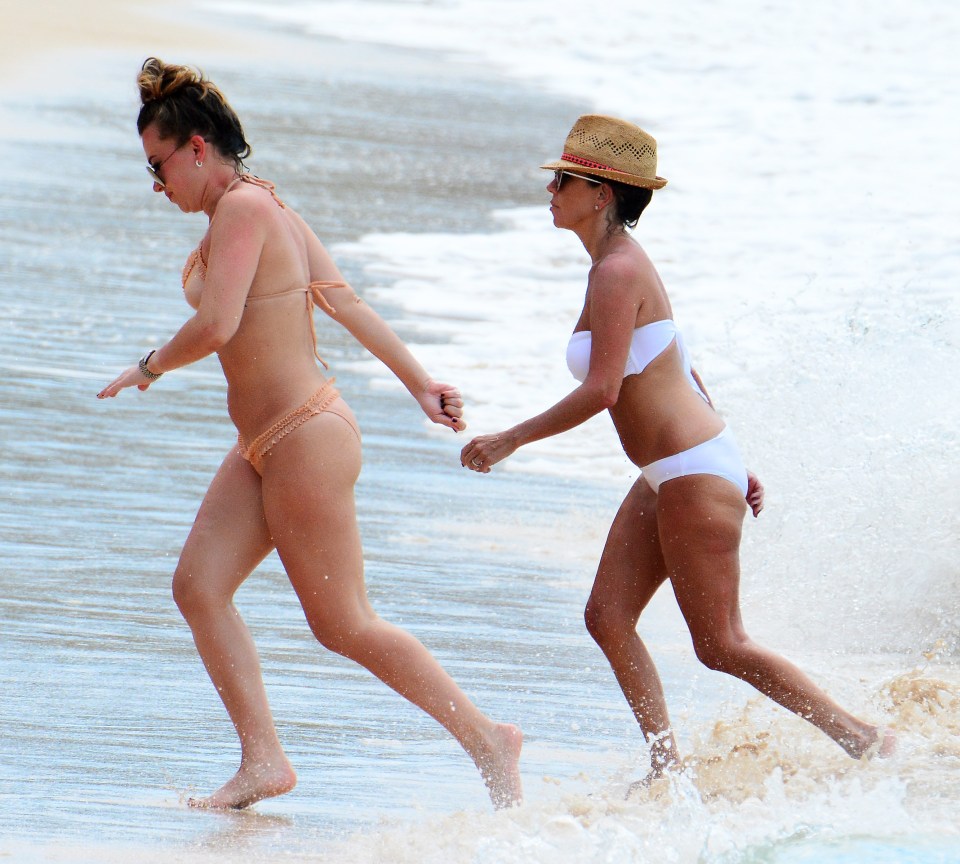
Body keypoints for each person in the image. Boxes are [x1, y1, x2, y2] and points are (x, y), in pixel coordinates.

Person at [98, 58, 522, 811]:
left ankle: (490, 739)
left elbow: (222, 322)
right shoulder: (263, 209)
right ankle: (263, 760)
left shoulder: (248, 210)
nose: (157, 187)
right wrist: (421, 385)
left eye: (159, 166)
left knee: (343, 623)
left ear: (197, 147)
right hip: (264, 444)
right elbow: (342, 299)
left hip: (304, 434)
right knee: (198, 587)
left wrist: (149, 366)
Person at [459, 114, 894, 784]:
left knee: (721, 644)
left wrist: (510, 438)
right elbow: (676, 361)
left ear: (600, 194)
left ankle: (863, 738)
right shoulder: (614, 265)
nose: (550, 190)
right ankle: (667, 767)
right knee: (607, 617)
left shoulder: (616, 272)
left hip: (691, 471)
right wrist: (728, 453)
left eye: (563, 180)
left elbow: (604, 390)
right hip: (680, 469)